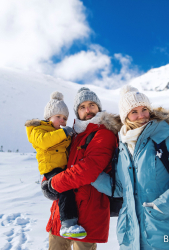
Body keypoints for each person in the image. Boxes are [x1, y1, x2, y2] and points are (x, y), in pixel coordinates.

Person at [91, 85, 169, 250]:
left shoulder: (164, 138)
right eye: (134, 112)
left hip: (165, 231)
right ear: (125, 116)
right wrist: (92, 175)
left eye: (144, 109)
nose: (141, 116)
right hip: (131, 234)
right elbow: (121, 189)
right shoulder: (121, 147)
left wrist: (162, 206)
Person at [43, 87, 122, 250]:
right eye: (82, 106)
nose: (88, 110)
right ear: (76, 112)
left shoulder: (104, 133)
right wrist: (47, 179)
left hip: (88, 217)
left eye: (92, 105)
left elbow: (89, 168)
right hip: (61, 215)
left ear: (98, 107)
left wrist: (54, 184)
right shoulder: (73, 135)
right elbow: (57, 161)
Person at [25, 91, 87, 239]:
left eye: (65, 118)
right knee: (65, 188)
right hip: (50, 171)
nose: (62, 120)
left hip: (62, 170)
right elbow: (44, 141)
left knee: (69, 191)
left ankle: (70, 222)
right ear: (49, 117)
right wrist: (64, 133)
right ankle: (68, 225)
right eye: (58, 117)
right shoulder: (37, 130)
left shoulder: (61, 132)